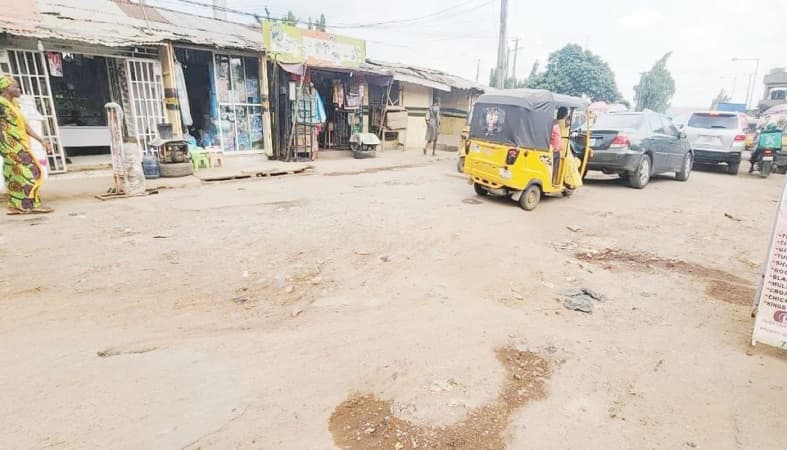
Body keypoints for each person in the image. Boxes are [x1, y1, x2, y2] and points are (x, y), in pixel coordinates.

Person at [0, 75, 53, 215]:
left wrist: (41, 140)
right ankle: (32, 204)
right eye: (14, 86)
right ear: (5, 89)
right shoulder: (1, 104)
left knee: (15, 174)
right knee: (31, 172)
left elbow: (26, 126)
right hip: (9, 145)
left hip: (20, 143)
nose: (18, 89)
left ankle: (16, 206)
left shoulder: (14, 105)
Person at [551, 106, 569, 185]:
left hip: (553, 145)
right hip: (562, 144)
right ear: (566, 114)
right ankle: (554, 181)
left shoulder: (554, 121)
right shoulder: (565, 122)